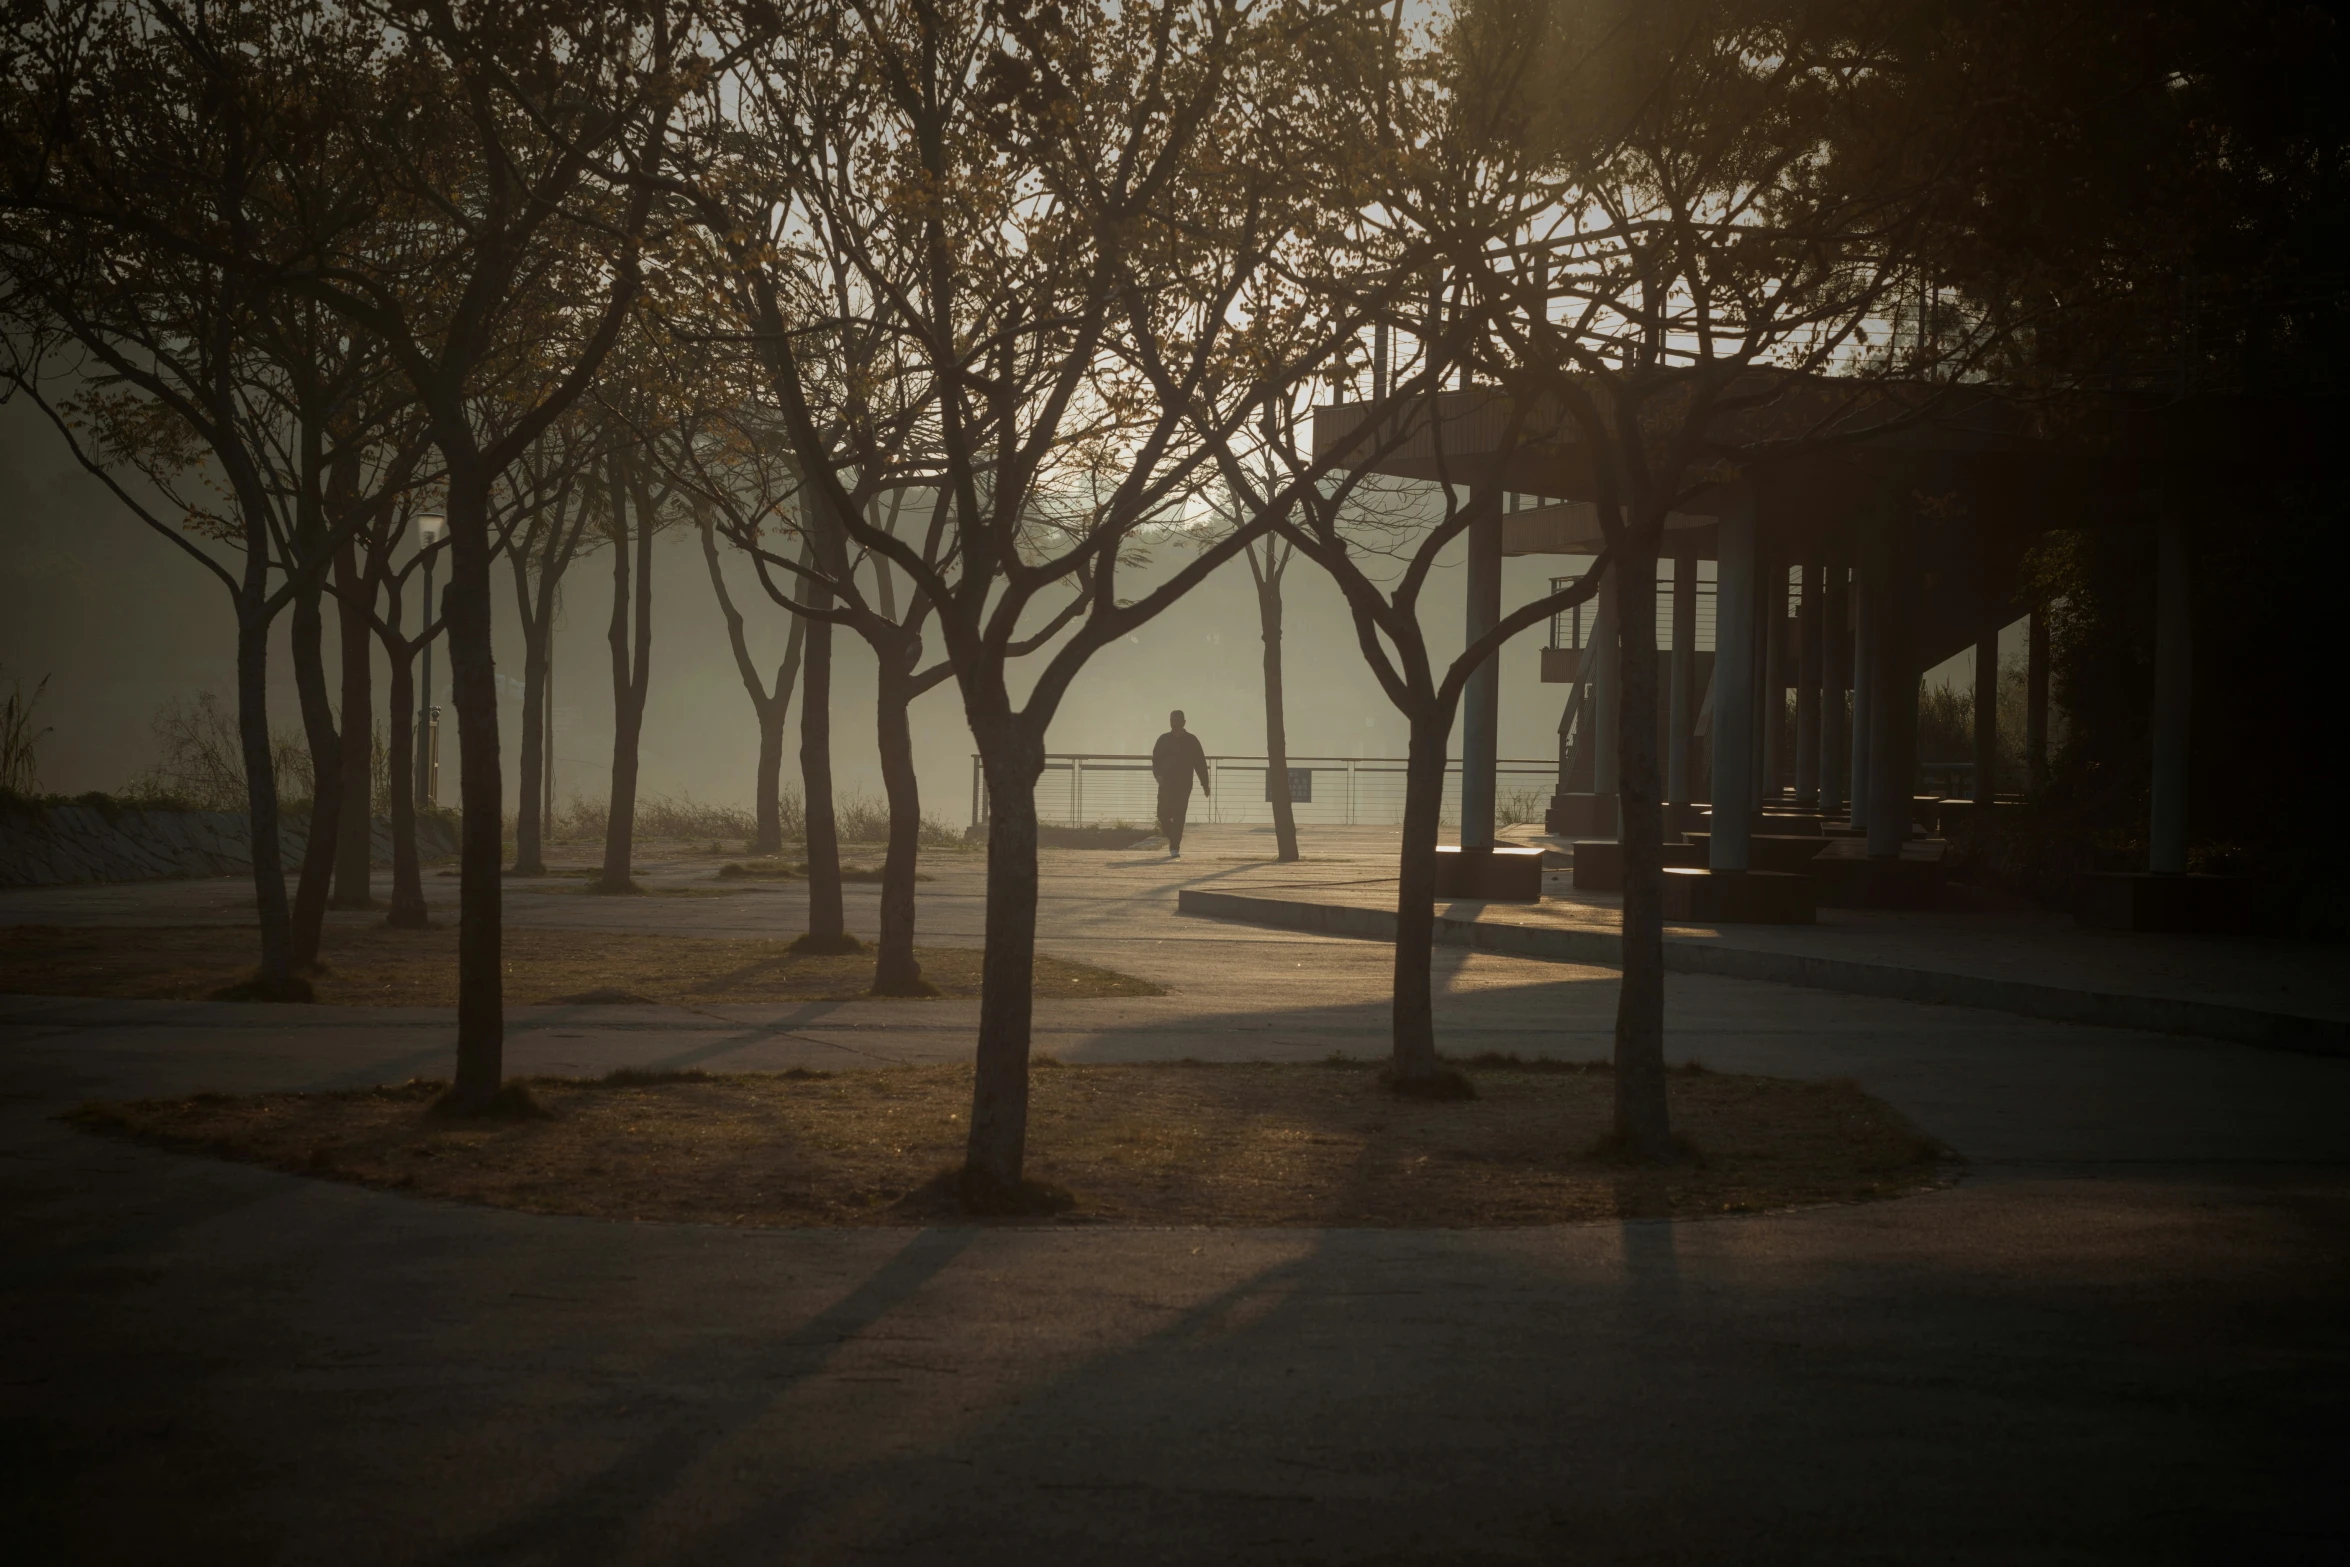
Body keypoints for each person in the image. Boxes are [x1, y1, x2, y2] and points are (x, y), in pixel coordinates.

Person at [1150, 710, 1211, 859]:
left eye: (1177, 720)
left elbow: (1200, 764)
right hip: (1166, 784)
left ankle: (1174, 847)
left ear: (1184, 722)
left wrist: (1205, 784)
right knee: (1162, 814)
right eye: (1172, 720)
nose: (1174, 723)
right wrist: (1157, 775)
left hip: (1184, 785)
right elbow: (1155, 761)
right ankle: (1175, 837)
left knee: (1179, 815)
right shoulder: (1163, 740)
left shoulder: (1192, 741)